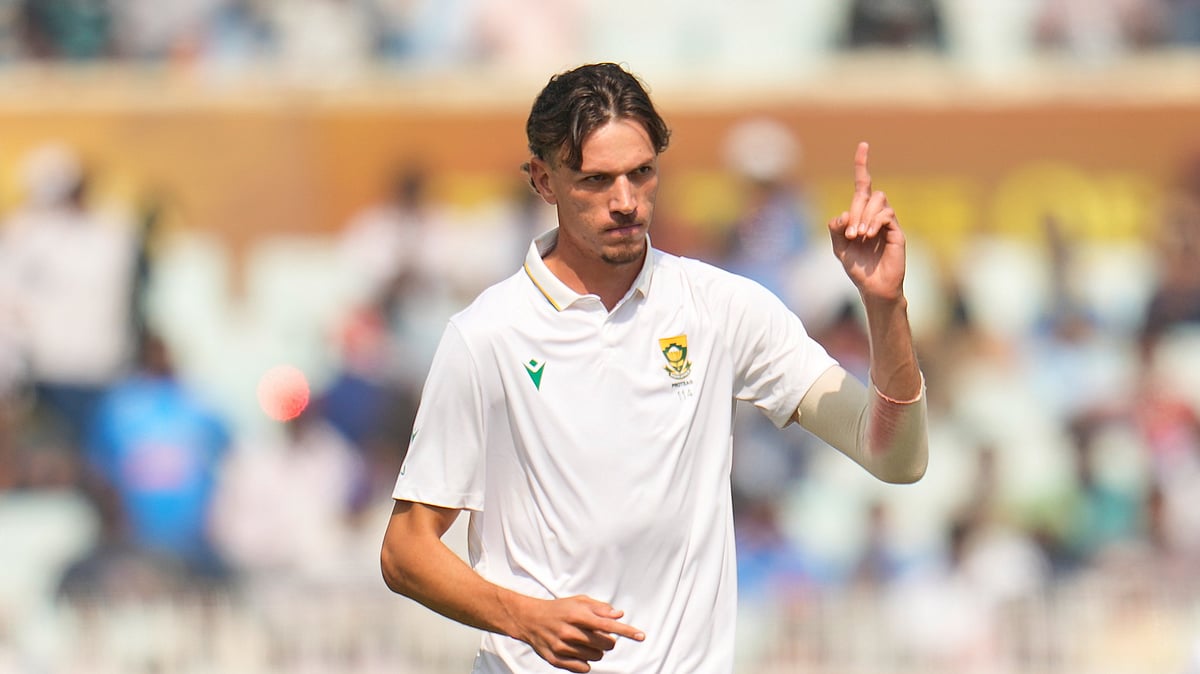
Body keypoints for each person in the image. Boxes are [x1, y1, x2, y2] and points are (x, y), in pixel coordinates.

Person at [380, 62, 928, 673]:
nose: (625, 202)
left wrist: (885, 306)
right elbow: (405, 551)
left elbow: (895, 457)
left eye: (641, 173)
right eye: (596, 179)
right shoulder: (487, 335)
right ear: (543, 180)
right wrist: (525, 617)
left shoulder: (722, 307)